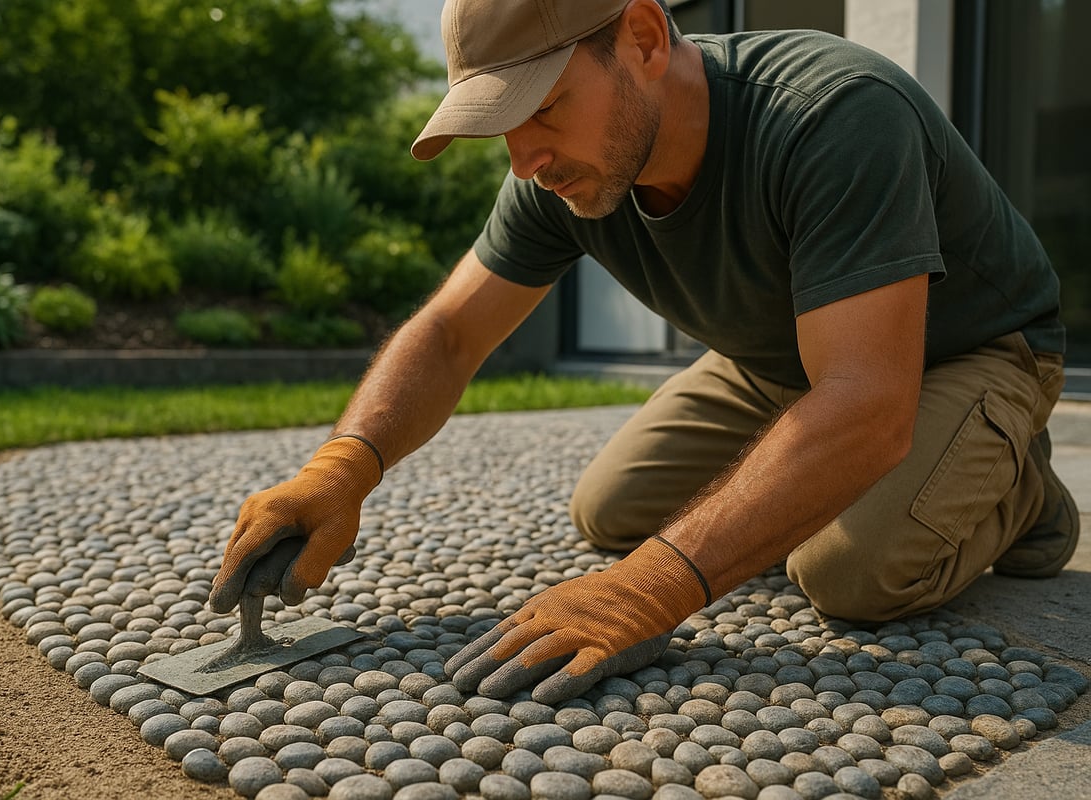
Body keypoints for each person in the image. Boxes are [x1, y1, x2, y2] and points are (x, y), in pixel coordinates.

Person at [209, 0, 1077, 704]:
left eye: (543, 106)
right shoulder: (557, 175)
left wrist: (648, 590)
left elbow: (867, 400)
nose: (525, 159)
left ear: (644, 38)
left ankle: (1020, 487)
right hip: (779, 362)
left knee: (850, 573)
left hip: (966, 354)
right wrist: (342, 466)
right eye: (501, 124)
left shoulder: (833, 113)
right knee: (613, 509)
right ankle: (834, 460)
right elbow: (448, 332)